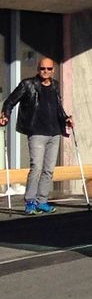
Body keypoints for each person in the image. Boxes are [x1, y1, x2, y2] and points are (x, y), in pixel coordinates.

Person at [0, 57, 73, 215]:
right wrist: (5, 114)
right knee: (36, 168)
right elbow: (10, 101)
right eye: (42, 69)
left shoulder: (55, 86)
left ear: (53, 70)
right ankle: (30, 202)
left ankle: (42, 201)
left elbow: (58, 108)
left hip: (54, 133)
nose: (45, 72)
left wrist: (66, 119)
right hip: (36, 132)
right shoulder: (28, 84)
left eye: (48, 69)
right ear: (38, 70)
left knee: (48, 170)